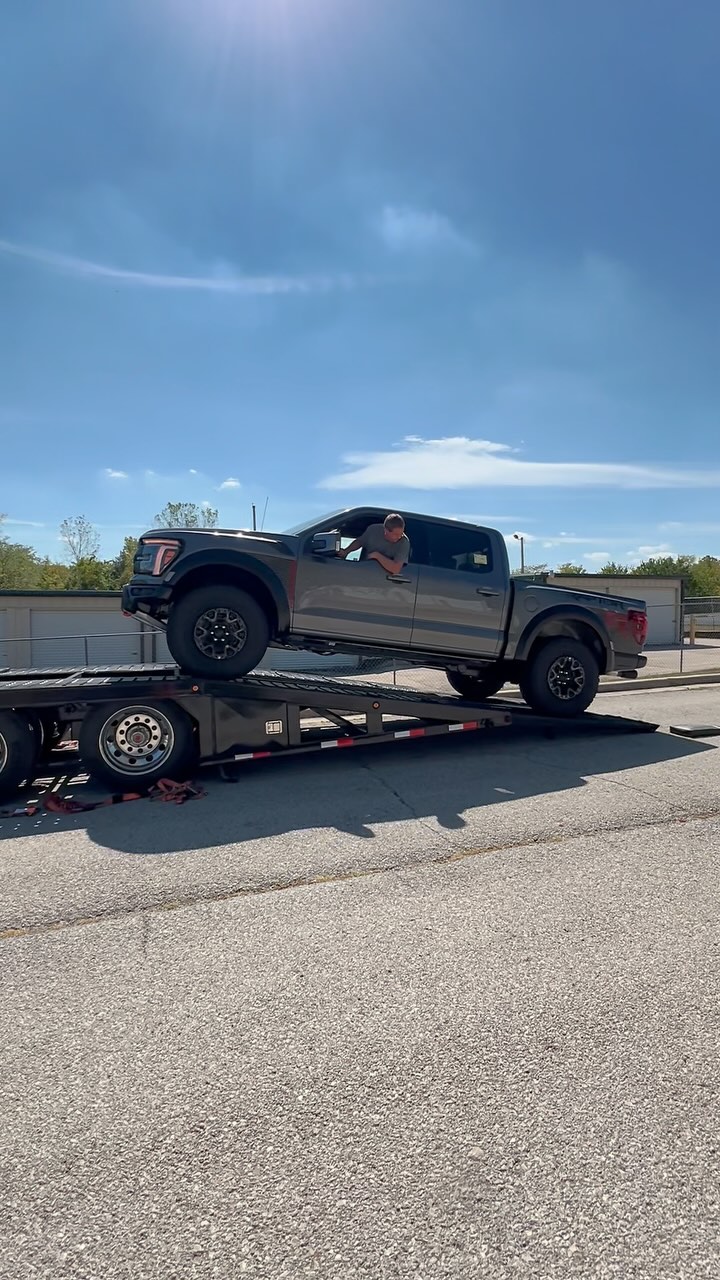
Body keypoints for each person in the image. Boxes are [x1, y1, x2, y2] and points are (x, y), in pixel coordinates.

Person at [337, 513, 411, 575]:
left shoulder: (404, 542)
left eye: (401, 533)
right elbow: (360, 542)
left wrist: (377, 556)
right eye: (396, 534)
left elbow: (395, 569)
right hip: (363, 572)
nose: (399, 537)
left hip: (383, 579)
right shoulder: (373, 530)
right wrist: (346, 551)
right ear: (386, 530)